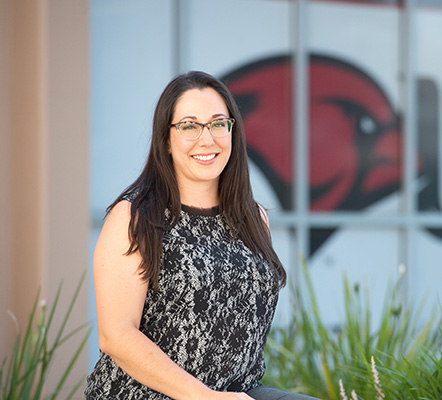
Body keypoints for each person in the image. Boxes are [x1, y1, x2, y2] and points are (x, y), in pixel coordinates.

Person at [85, 71, 319, 400]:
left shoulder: (253, 218)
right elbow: (116, 336)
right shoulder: (133, 218)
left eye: (218, 123)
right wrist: (206, 397)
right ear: (166, 139)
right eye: (189, 126)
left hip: (239, 394)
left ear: (232, 132)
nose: (206, 139)